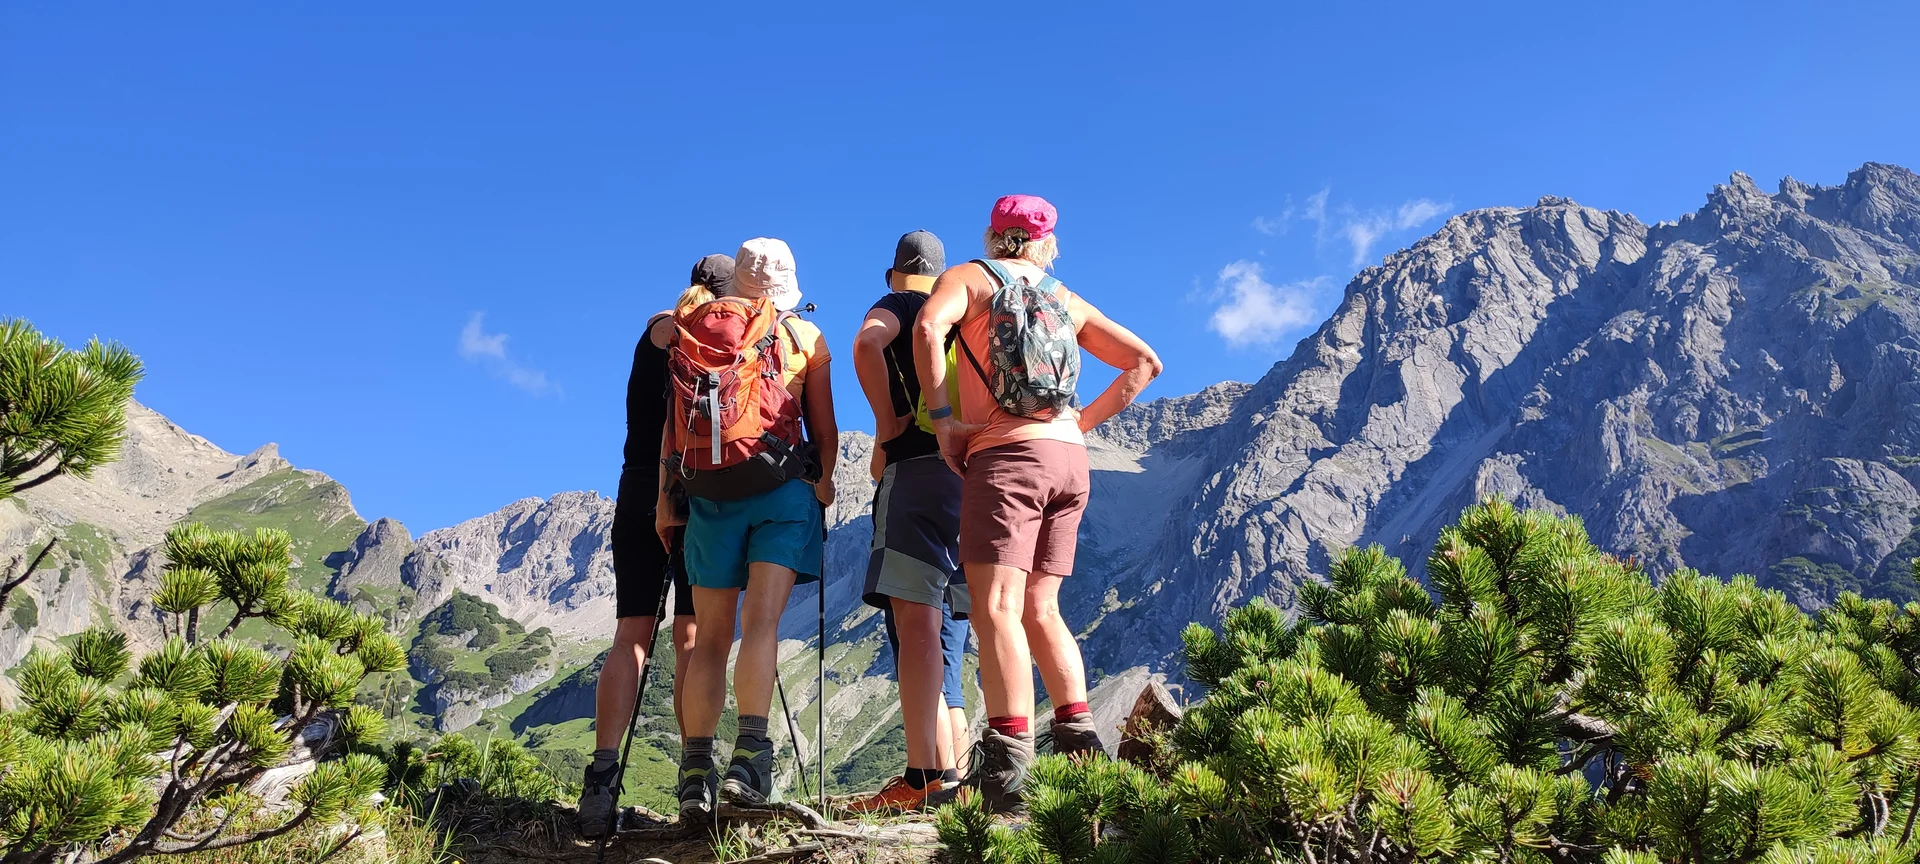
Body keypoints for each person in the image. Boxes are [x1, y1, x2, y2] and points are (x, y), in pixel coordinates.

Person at [914, 195, 1162, 813]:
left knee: (997, 606)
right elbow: (1144, 363)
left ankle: (1009, 769)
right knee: (1041, 607)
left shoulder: (969, 278)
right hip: (1069, 462)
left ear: (995, 235)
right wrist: (1080, 425)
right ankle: (1082, 755)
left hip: (1006, 458)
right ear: (1047, 242)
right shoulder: (1065, 297)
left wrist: (944, 420)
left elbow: (926, 327)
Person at [661, 237, 837, 822]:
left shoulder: (697, 330)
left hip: (709, 494)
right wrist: (825, 482)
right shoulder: (804, 339)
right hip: (780, 491)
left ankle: (693, 773)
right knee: (760, 625)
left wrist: (670, 500)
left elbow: (672, 426)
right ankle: (749, 760)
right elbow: (823, 426)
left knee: (710, 637)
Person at [576, 254, 730, 837]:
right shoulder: (724, 335)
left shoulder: (657, 331)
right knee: (690, 634)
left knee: (630, 634)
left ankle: (601, 776)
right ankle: (696, 772)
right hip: (699, 490)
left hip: (639, 485)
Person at [845, 230, 973, 813]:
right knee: (958, 629)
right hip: (977, 477)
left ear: (895, 272)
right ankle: (965, 780)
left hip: (917, 470)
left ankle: (923, 777)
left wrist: (888, 420)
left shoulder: (900, 305)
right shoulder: (968, 305)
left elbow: (867, 344)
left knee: (916, 623)